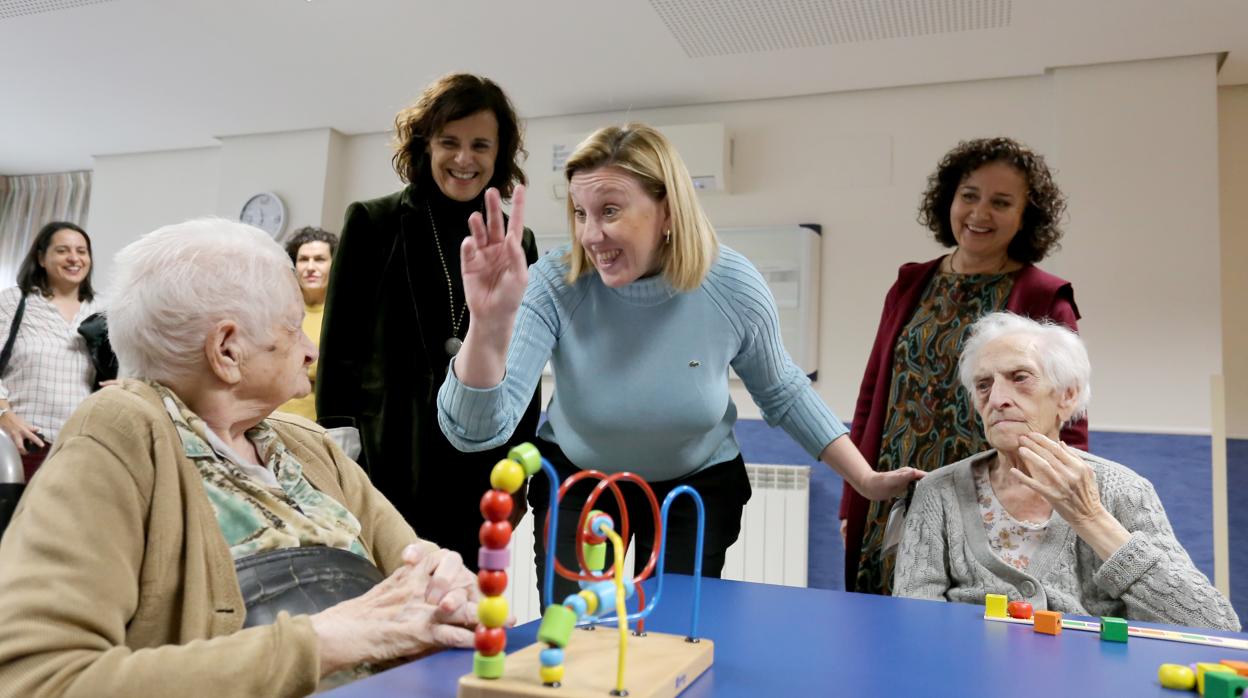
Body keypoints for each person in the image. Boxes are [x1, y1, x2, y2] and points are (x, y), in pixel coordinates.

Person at [437, 123, 922, 600]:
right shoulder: (554, 283)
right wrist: (486, 323)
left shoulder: (730, 283)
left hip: (696, 488)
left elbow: (784, 390)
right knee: (576, 635)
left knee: (667, 640)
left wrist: (865, 478)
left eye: (610, 211)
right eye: (581, 213)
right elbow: (477, 430)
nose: (591, 235)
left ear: (667, 211)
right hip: (580, 480)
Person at [0, 219, 482, 696]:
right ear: (227, 350)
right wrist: (322, 643)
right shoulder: (120, 434)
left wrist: (449, 590)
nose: (312, 351)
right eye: (294, 329)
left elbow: (419, 569)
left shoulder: (304, 444)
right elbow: (38, 678)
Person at [842, 137, 1089, 595]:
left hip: (987, 502)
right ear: (949, 199)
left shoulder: (1043, 296)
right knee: (881, 625)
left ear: (1024, 215)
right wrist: (852, 497)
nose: (979, 213)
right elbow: (872, 394)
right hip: (893, 494)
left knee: (979, 627)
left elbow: (1067, 418)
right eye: (969, 196)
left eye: (1001, 202)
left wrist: (1066, 509)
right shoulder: (910, 283)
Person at [893, 312, 1240, 631]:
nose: (997, 398)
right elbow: (913, 625)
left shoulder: (1123, 490)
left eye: (1020, 378)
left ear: (1067, 396)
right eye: (983, 385)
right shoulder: (938, 492)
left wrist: (1090, 518)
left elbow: (1212, 623)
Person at [317, 74, 541, 566]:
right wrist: (340, 446)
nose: (465, 159)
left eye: (480, 145)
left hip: (479, 462)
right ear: (425, 145)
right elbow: (340, 346)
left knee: (463, 603)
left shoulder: (516, 242)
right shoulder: (372, 222)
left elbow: (523, 359)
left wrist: (521, 462)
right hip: (386, 455)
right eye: (450, 142)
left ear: (499, 153)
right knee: (388, 599)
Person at [0, 221, 100, 480]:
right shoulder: (13, 302)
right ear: (41, 258)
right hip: (23, 443)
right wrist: (4, 416)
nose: (74, 258)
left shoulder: (104, 311)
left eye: (82, 251)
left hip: (82, 448)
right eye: (63, 250)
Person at [277, 226, 338, 421]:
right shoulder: (277, 310)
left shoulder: (341, 316)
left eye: (319, 259)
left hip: (318, 426)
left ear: (334, 264)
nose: (310, 267)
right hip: (272, 418)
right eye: (303, 259)